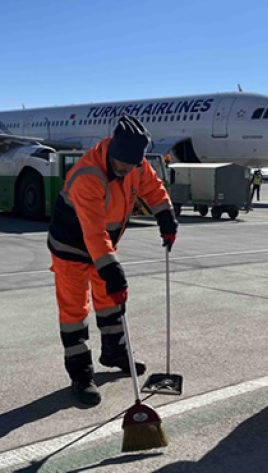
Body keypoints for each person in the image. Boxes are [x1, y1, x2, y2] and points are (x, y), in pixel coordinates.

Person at [47, 115, 178, 405]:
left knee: (111, 300)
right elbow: (93, 233)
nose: (126, 170)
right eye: (122, 164)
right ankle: (81, 375)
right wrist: (112, 269)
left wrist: (166, 216)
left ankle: (114, 352)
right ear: (111, 152)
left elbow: (153, 188)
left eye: (132, 165)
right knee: (74, 312)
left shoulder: (135, 164)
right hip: (71, 246)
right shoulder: (88, 176)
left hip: (103, 245)